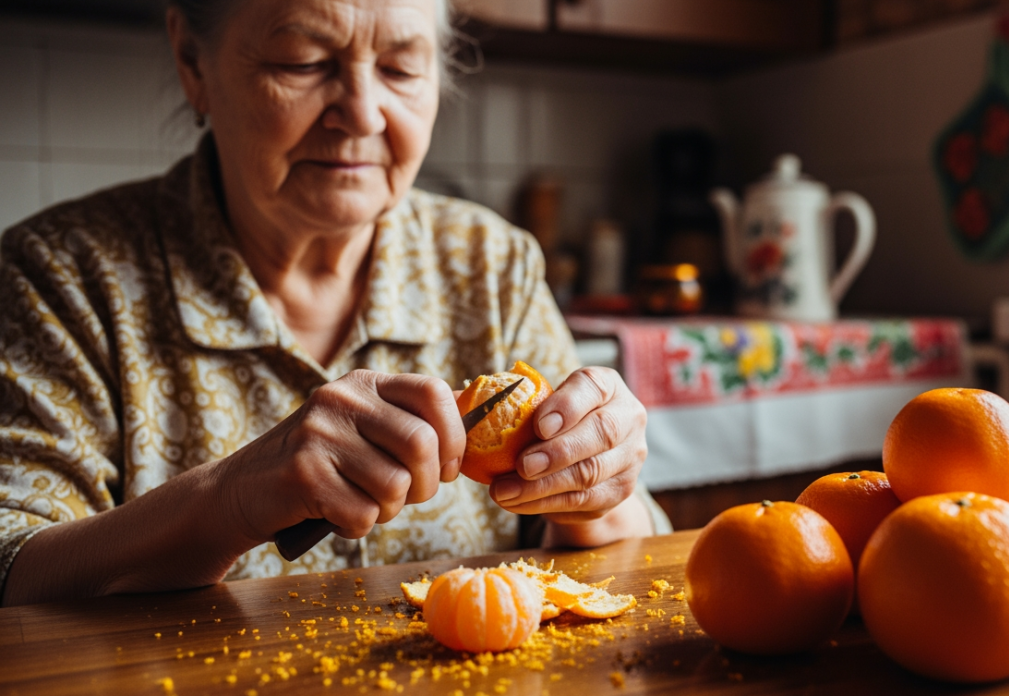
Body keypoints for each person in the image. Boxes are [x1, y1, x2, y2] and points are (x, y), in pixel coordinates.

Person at [0, 0, 662, 608]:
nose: (365, 113)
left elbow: (626, 553)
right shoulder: (60, 278)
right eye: (304, 62)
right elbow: (13, 571)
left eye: (401, 69)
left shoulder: (492, 266)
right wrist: (228, 500)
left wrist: (594, 494)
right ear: (192, 62)